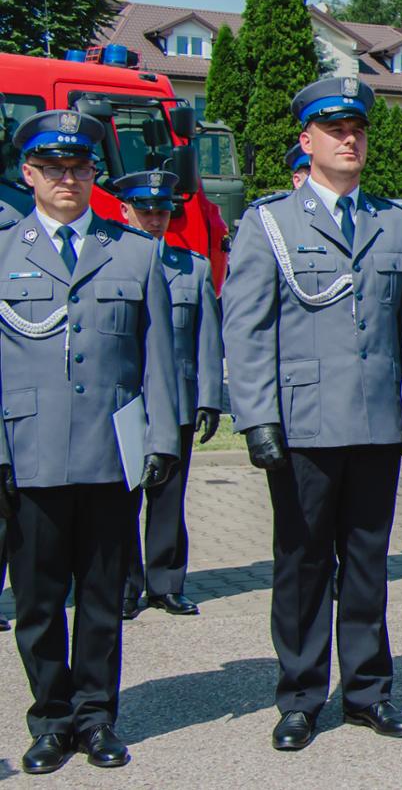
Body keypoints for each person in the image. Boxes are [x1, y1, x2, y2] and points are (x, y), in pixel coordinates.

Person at [223, 77, 402, 751]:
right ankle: (300, 694)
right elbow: (248, 328)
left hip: (375, 422)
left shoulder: (395, 224)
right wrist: (256, 416)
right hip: (303, 424)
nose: (350, 139)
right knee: (304, 562)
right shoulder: (270, 224)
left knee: (368, 564)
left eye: (358, 129)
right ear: (306, 140)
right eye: (335, 129)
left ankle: (368, 691)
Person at [1, 109, 180, 774]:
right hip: (31, 454)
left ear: (94, 174)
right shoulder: (2, 253)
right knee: (40, 603)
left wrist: (162, 439)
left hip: (110, 454)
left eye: (79, 167)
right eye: (53, 168)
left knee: (102, 601)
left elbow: (158, 357)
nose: (67, 178)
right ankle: (51, 718)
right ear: (29, 174)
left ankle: (97, 717)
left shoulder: (133, 251)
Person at [114, 170, 222, 621]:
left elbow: (207, 339)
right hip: (123, 404)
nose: (155, 219)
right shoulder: (109, 264)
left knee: (168, 497)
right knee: (121, 500)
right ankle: (122, 585)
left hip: (174, 399)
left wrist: (209, 398)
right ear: (125, 210)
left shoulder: (191, 267)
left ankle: (166, 583)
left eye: (162, 211)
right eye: (146, 210)